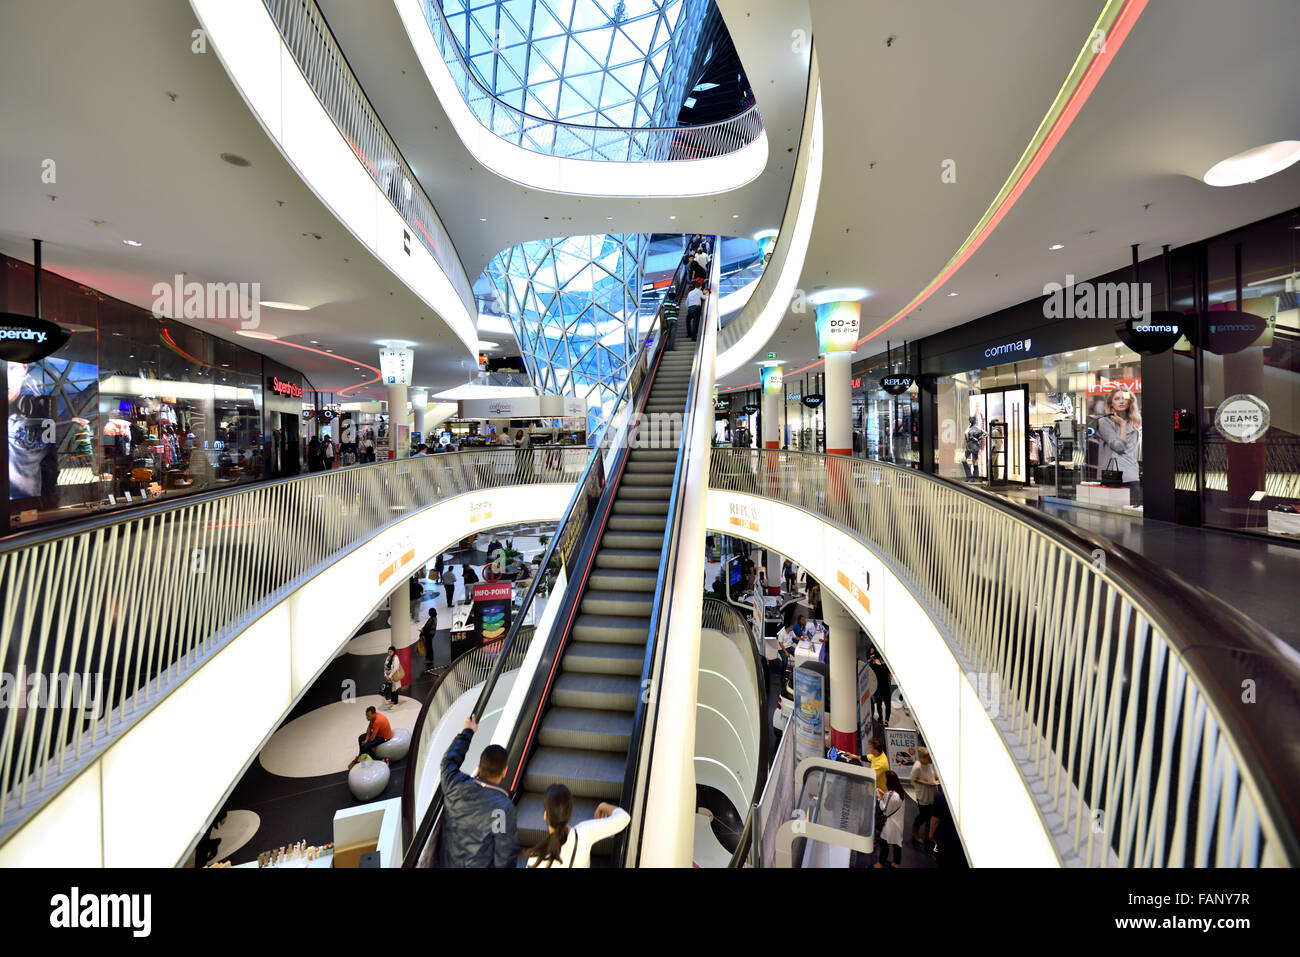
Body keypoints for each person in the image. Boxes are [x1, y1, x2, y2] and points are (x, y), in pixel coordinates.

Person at [440, 713, 518, 868]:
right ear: (504, 771)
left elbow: (448, 761)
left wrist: (467, 731)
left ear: (479, 768)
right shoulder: (502, 809)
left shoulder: (455, 784)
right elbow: (505, 856)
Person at [525, 784, 630, 868]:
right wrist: (603, 806)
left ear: (545, 815)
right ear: (569, 813)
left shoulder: (535, 859)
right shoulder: (585, 833)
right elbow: (624, 818)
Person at [1095, 388, 1142, 504]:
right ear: (1111, 404)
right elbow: (1118, 447)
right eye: (1117, 399)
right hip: (1114, 476)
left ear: (1130, 402)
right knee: (1114, 517)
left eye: (1124, 398)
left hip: (1132, 475)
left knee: (1133, 516)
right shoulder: (1104, 422)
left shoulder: (1135, 421)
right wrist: (1122, 425)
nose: (1121, 401)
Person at [910, 746, 939, 849]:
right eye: (928, 758)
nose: (930, 759)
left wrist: (936, 779)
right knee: (923, 815)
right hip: (923, 794)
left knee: (930, 815)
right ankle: (915, 832)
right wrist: (927, 783)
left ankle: (928, 834)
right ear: (923, 758)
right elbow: (913, 779)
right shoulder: (917, 767)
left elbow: (933, 774)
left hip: (931, 793)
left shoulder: (930, 763)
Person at [875, 770, 905, 868]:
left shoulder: (891, 795)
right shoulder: (900, 791)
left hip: (891, 824)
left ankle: (880, 863)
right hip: (899, 822)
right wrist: (884, 794)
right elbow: (893, 803)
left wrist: (879, 797)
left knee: (884, 843)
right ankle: (897, 862)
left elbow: (885, 810)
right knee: (897, 843)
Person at [348, 705, 392, 770]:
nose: (367, 717)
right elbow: (369, 729)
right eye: (366, 715)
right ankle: (360, 756)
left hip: (384, 737)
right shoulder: (373, 718)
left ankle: (379, 761)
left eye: (368, 716)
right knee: (360, 738)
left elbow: (372, 738)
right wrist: (365, 740)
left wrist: (366, 742)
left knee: (365, 747)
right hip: (378, 733)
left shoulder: (377, 721)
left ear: (373, 714)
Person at [869, 650, 892, 725]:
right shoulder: (885, 666)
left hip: (878, 689)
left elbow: (867, 666)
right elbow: (891, 672)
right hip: (886, 688)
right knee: (887, 705)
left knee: (879, 705)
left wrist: (870, 659)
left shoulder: (873, 667)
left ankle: (880, 719)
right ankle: (886, 720)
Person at [420, 608, 442, 675]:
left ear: (431, 613)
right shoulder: (433, 618)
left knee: (429, 646)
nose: (428, 613)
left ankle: (429, 659)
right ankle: (429, 658)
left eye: (429, 612)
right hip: (430, 634)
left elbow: (428, 628)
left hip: (429, 634)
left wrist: (422, 632)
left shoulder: (432, 619)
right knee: (429, 646)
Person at [382, 645, 404, 710]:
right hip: (388, 677)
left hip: (394, 676)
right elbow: (385, 666)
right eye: (388, 651)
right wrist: (385, 674)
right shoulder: (388, 658)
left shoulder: (396, 658)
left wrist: (389, 676)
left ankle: (396, 703)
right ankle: (392, 700)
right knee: (391, 689)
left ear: (394, 652)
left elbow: (395, 668)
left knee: (395, 689)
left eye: (391, 651)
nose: (389, 653)